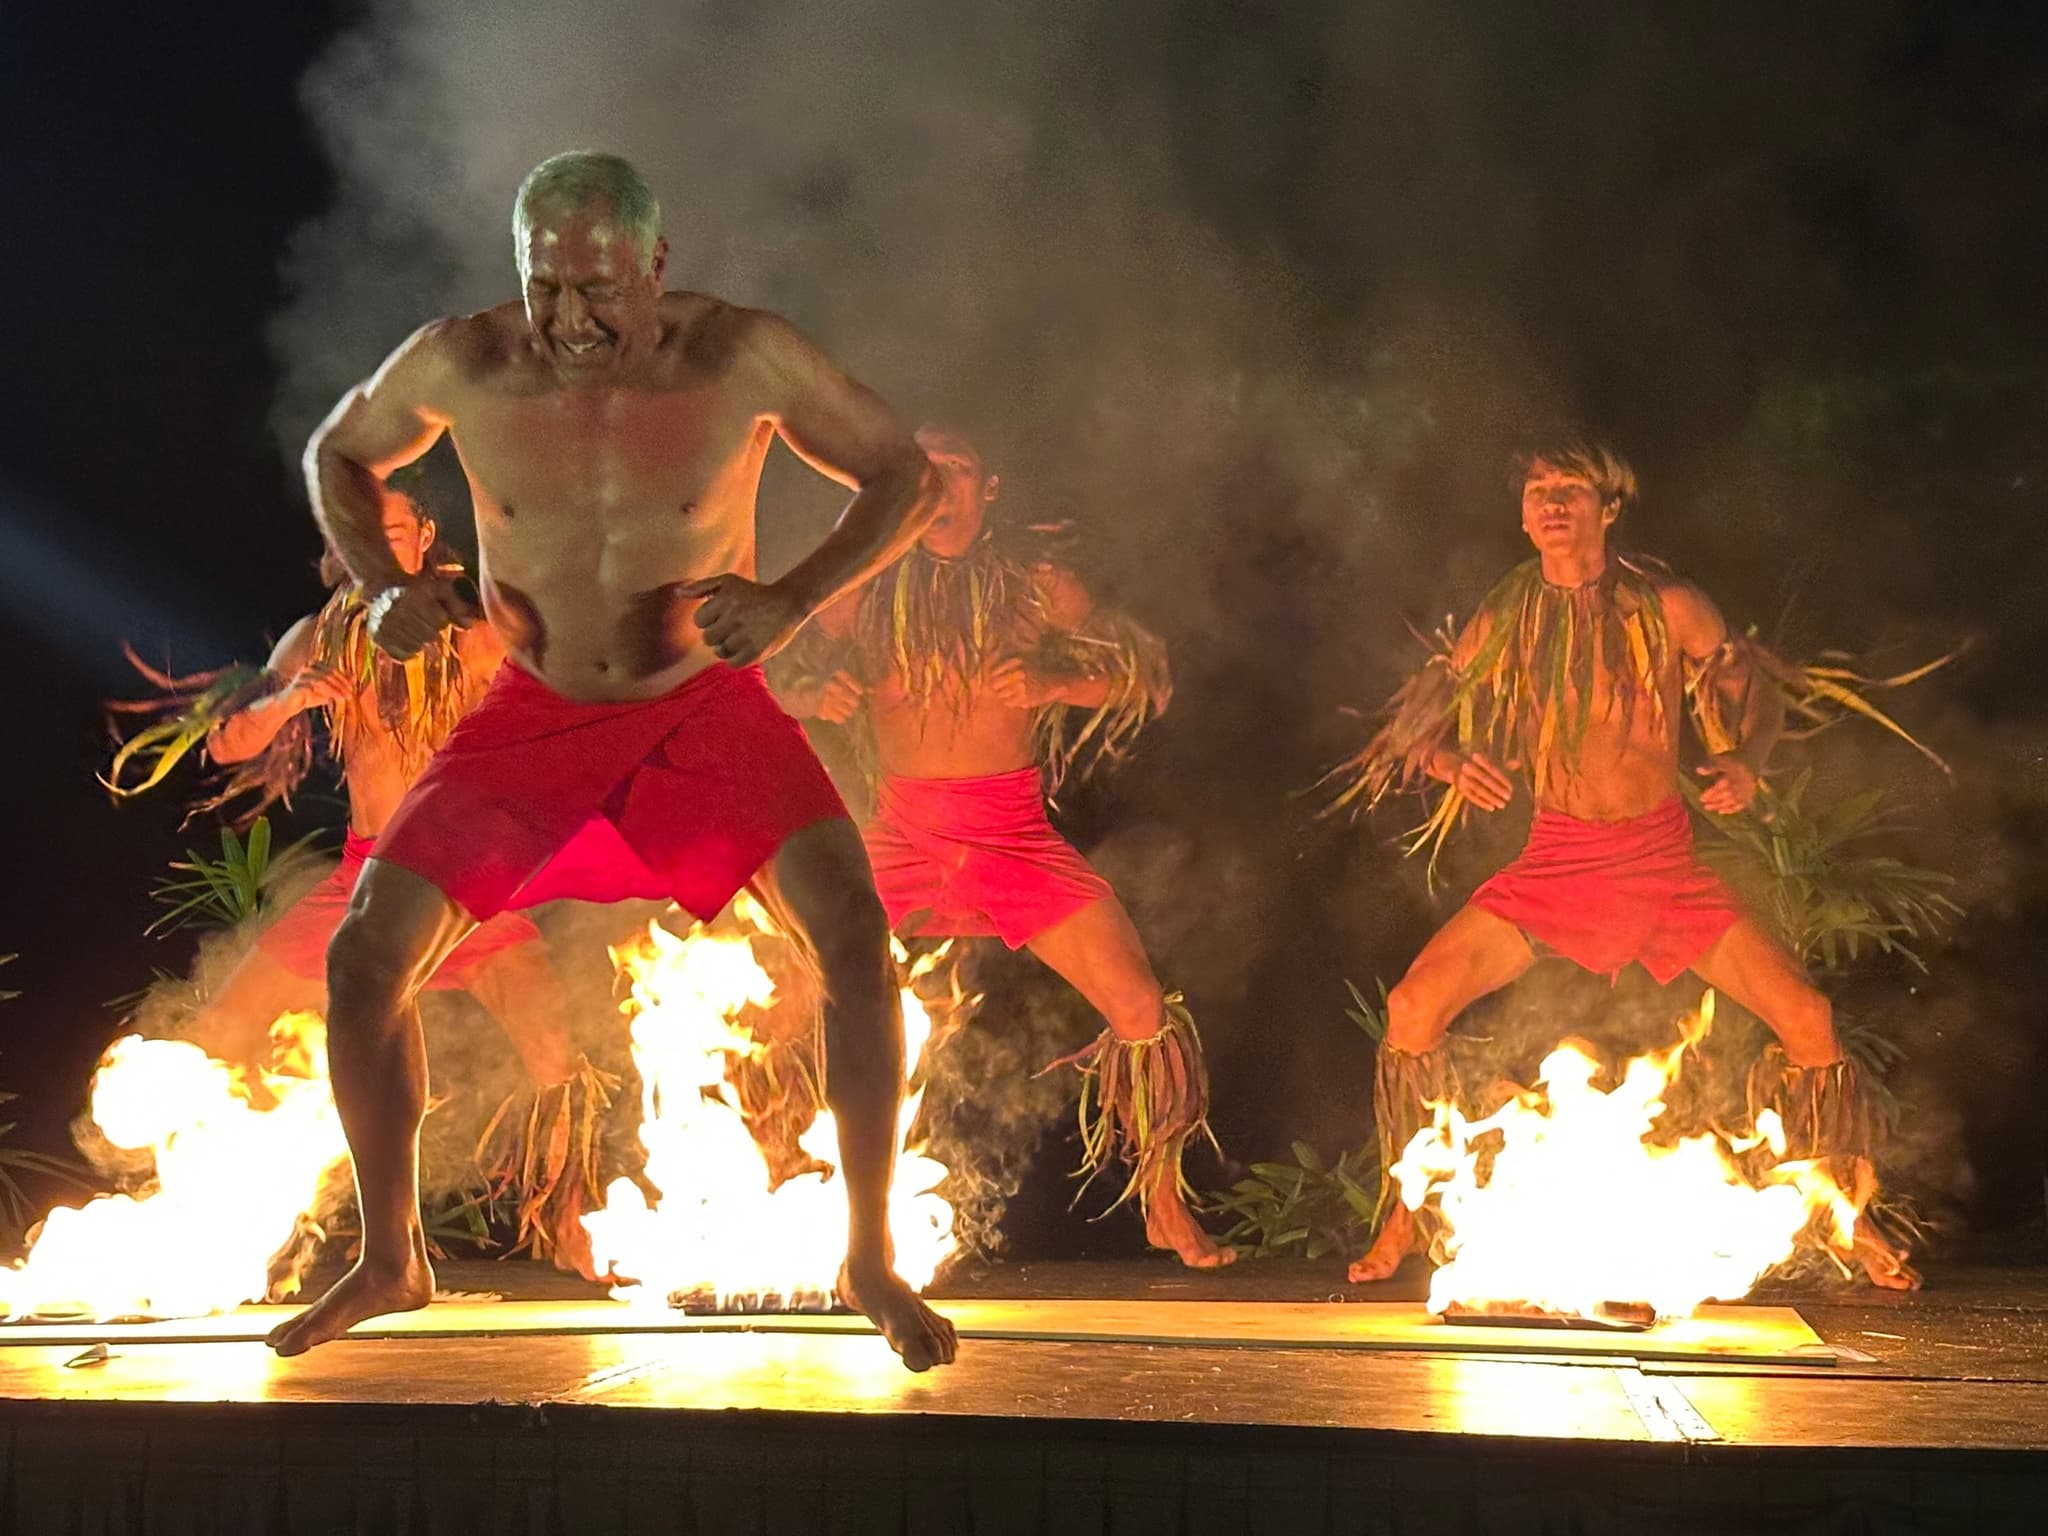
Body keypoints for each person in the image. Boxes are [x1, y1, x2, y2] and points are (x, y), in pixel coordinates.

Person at [266, 150, 955, 1371]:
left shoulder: (743, 356)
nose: (571, 321)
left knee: (855, 937)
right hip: (533, 713)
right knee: (366, 957)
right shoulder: (459, 361)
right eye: (547, 290)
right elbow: (338, 451)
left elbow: (901, 473)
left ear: (655, 267)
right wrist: (379, 588)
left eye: (599, 290)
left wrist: (793, 596)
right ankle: (390, 1258)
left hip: (700, 708)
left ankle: (867, 1258)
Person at [1336, 434, 1917, 1290]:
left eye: (1571, 488)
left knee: (1807, 1018)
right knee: (1414, 1007)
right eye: (1537, 490)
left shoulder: (1668, 606)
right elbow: (1416, 723)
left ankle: (1845, 1214)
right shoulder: (1506, 619)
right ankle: (1407, 1217)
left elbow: (1751, 691)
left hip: (1662, 865)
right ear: (1523, 512)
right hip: (1556, 865)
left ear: (1611, 508)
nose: (1552, 504)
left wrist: (1747, 762)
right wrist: (1451, 761)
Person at [775, 427, 1231, 1268]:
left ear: (990, 489)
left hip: (1011, 833)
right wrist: (813, 690)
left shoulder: (1038, 588)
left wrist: (1059, 683)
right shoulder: (864, 586)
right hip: (900, 832)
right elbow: (765, 672)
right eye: (925, 472)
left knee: (1139, 1009)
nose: (940, 486)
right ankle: (786, 1198)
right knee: (780, 991)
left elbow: (1146, 678)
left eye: (957, 469)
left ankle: (1164, 1206)